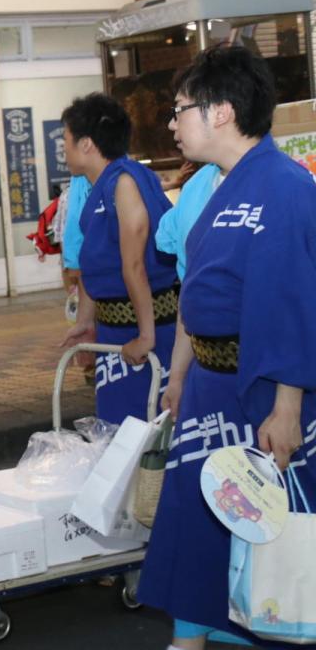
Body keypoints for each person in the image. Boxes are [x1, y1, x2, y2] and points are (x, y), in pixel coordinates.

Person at [139, 45, 316, 650]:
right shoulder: (217, 187)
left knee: (268, 534)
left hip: (261, 394)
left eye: (180, 109)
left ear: (220, 112)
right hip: (211, 389)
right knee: (199, 530)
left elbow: (296, 304)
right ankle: (190, 638)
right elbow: (198, 290)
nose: (172, 123)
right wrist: (182, 375)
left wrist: (288, 407)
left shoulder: (287, 188)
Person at [60, 93, 178, 426]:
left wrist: (146, 336)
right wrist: (85, 321)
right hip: (114, 333)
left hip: (145, 333)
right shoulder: (98, 186)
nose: (63, 150)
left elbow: (134, 265)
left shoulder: (125, 183)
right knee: (116, 432)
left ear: (86, 145)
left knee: (147, 436)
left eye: (65, 141)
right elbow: (94, 263)